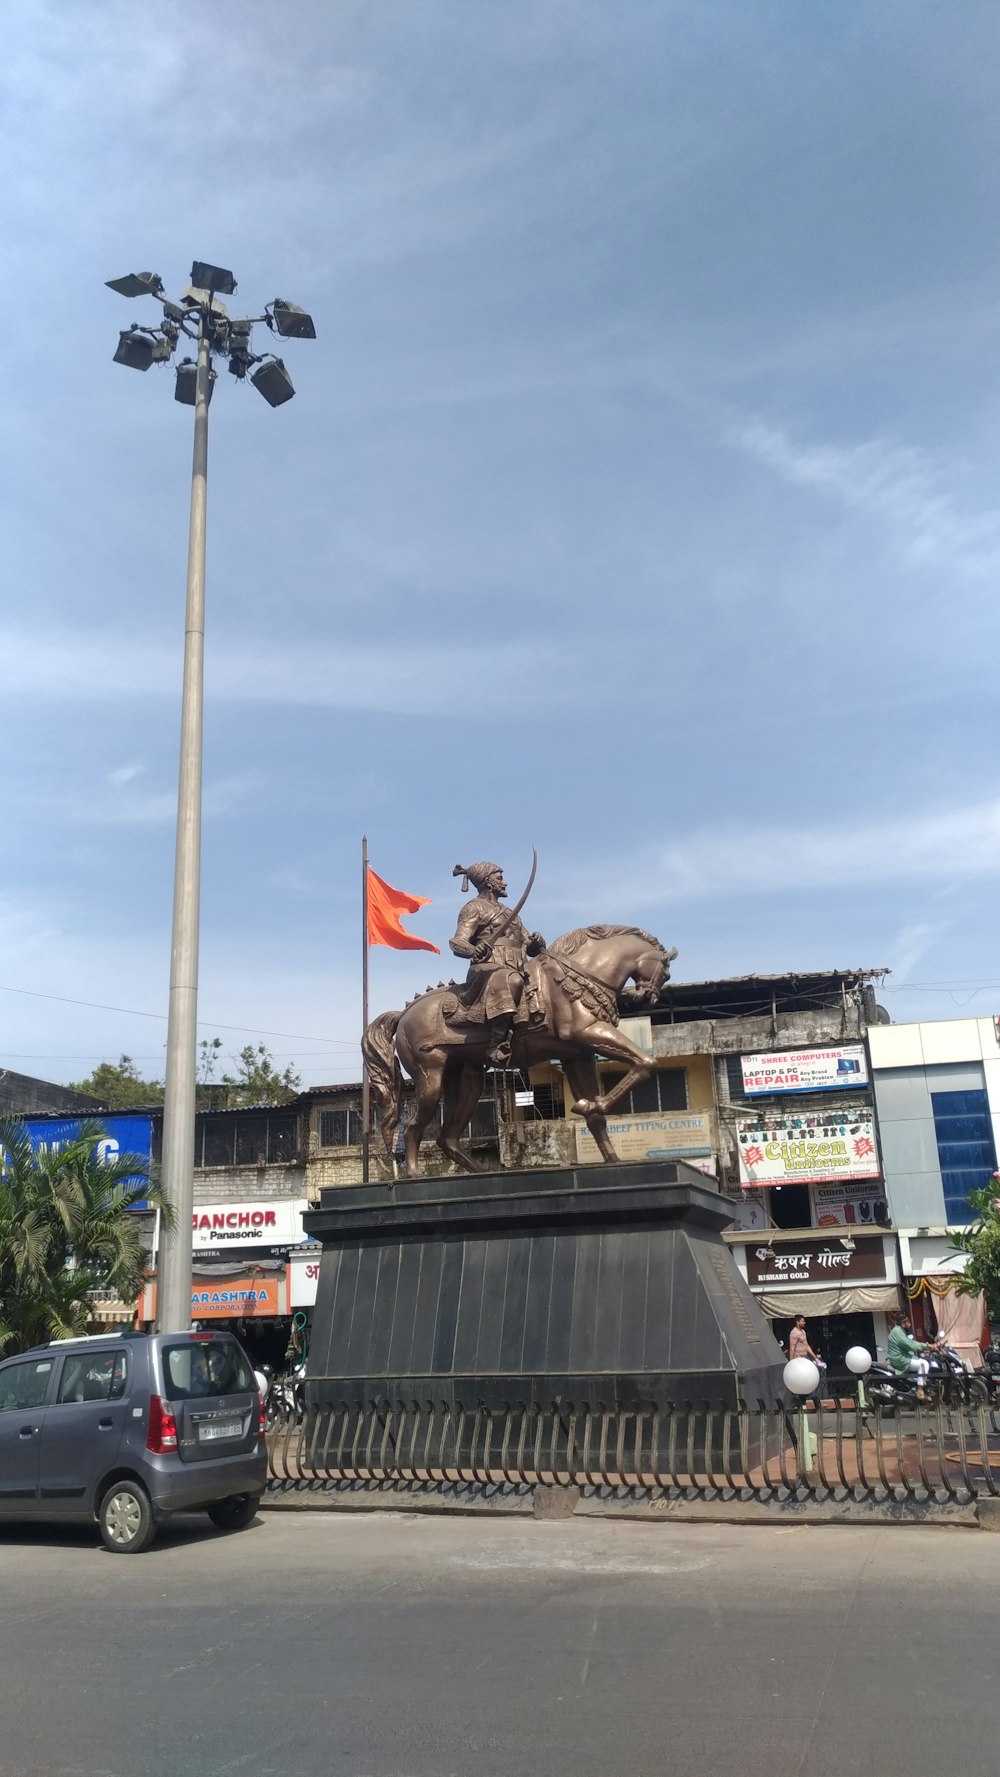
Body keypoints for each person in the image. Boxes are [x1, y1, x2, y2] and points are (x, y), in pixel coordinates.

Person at [448, 860, 546, 1065]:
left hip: (517, 965)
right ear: (488, 882)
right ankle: (495, 1044)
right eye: (500, 878)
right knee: (512, 980)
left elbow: (527, 944)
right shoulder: (473, 908)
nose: (505, 883)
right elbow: (457, 942)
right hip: (487, 968)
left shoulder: (510, 913)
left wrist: (536, 942)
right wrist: (475, 949)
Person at [888, 1313, 933, 1402]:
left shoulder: (900, 1331)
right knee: (924, 1364)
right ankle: (920, 1390)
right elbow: (910, 1345)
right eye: (908, 1322)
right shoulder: (897, 1332)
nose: (910, 1324)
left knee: (920, 1360)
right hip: (900, 1359)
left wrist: (925, 1347)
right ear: (902, 1324)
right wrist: (927, 1346)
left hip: (904, 1356)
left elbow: (911, 1343)